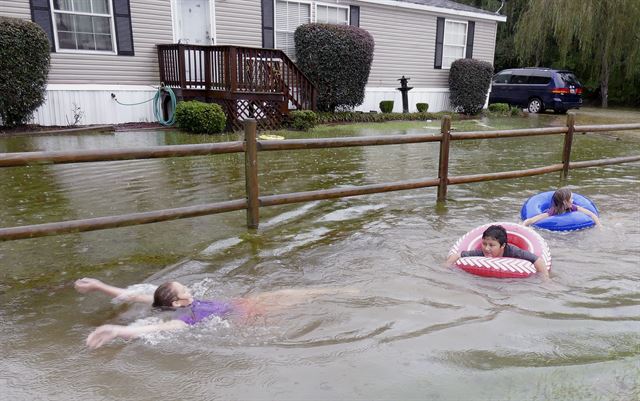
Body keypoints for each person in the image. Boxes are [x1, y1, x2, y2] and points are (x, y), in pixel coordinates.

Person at [75, 278, 352, 349]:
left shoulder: (164, 302)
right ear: (176, 303)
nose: (189, 289)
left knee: (292, 295)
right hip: (247, 313)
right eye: (184, 289)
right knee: (293, 299)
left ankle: (336, 292)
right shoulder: (185, 319)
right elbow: (155, 330)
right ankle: (341, 293)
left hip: (242, 303)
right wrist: (119, 330)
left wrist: (99, 286)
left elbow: (132, 294)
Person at [445, 225, 549, 279]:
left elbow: (537, 260)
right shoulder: (481, 252)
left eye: (491, 245)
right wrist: (446, 267)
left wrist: (546, 280)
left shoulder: (513, 252)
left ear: (503, 246)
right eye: (484, 243)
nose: (486, 248)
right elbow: (458, 255)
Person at [522, 187, 602, 227]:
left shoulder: (573, 207)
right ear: (564, 202)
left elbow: (591, 214)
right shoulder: (553, 211)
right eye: (571, 198)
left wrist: (599, 226)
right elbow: (536, 218)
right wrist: (524, 224)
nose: (573, 200)